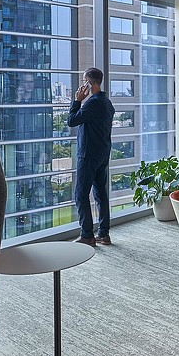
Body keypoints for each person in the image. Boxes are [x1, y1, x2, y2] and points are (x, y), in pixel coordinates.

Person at [68, 67, 115, 246]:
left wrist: (77, 101)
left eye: (83, 81)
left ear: (88, 83)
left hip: (88, 155)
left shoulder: (92, 103)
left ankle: (87, 235)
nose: (81, 85)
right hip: (102, 154)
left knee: (81, 195)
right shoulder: (107, 102)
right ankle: (103, 234)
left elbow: (72, 120)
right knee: (100, 194)